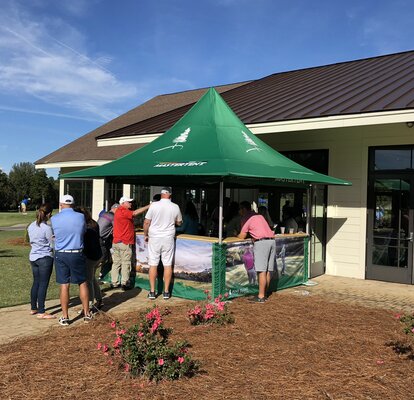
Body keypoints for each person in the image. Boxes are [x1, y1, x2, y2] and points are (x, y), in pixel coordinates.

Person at [51, 194, 92, 325]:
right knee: (82, 283)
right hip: (76, 253)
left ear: (61, 204)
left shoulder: (54, 218)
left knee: (64, 284)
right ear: (73, 204)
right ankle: (87, 314)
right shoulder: (80, 217)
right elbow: (83, 231)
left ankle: (65, 316)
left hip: (61, 253)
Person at [143, 187, 182, 300]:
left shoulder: (154, 205)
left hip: (154, 237)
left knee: (153, 264)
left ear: (161, 195)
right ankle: (166, 292)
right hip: (168, 237)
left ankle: (152, 291)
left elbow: (146, 222)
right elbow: (179, 222)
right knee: (167, 264)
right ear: (170, 195)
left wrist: (146, 234)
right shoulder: (175, 207)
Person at [237, 201, 276, 303]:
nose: (239, 212)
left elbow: (241, 236)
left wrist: (235, 235)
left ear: (244, 209)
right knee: (268, 270)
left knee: (261, 270)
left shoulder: (246, 218)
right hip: (272, 241)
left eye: (240, 209)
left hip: (261, 242)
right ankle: (264, 293)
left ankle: (261, 296)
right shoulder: (259, 216)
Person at [111, 196, 150, 290]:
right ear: (123, 203)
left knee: (116, 263)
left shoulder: (118, 211)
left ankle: (114, 282)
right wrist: (149, 206)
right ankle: (124, 283)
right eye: (129, 202)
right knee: (125, 263)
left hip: (116, 241)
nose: (130, 203)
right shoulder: (124, 211)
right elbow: (135, 213)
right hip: (125, 241)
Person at [27, 203, 55, 319]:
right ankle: (41, 311)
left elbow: (30, 241)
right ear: (48, 214)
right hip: (44, 258)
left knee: (36, 282)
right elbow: (52, 244)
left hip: (33, 257)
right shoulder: (47, 228)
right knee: (43, 284)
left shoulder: (31, 226)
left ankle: (34, 308)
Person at [75, 207, 103, 311]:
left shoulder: (85, 227)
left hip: (90, 257)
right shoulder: (94, 223)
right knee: (92, 278)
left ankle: (90, 304)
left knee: (88, 281)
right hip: (97, 255)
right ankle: (99, 299)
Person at [97, 203, 119, 282]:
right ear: (115, 209)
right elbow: (117, 229)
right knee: (103, 258)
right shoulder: (113, 217)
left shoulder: (104, 214)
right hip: (101, 239)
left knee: (102, 257)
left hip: (97, 237)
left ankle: (100, 275)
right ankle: (95, 275)